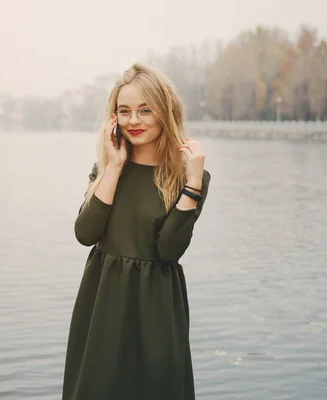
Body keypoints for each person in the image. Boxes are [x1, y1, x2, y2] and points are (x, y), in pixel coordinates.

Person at [62, 63, 210, 400]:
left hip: (156, 303)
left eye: (145, 110)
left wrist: (193, 184)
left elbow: (169, 250)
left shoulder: (189, 177)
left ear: (165, 111)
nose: (134, 121)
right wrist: (113, 167)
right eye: (124, 111)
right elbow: (86, 233)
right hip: (102, 299)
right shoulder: (107, 168)